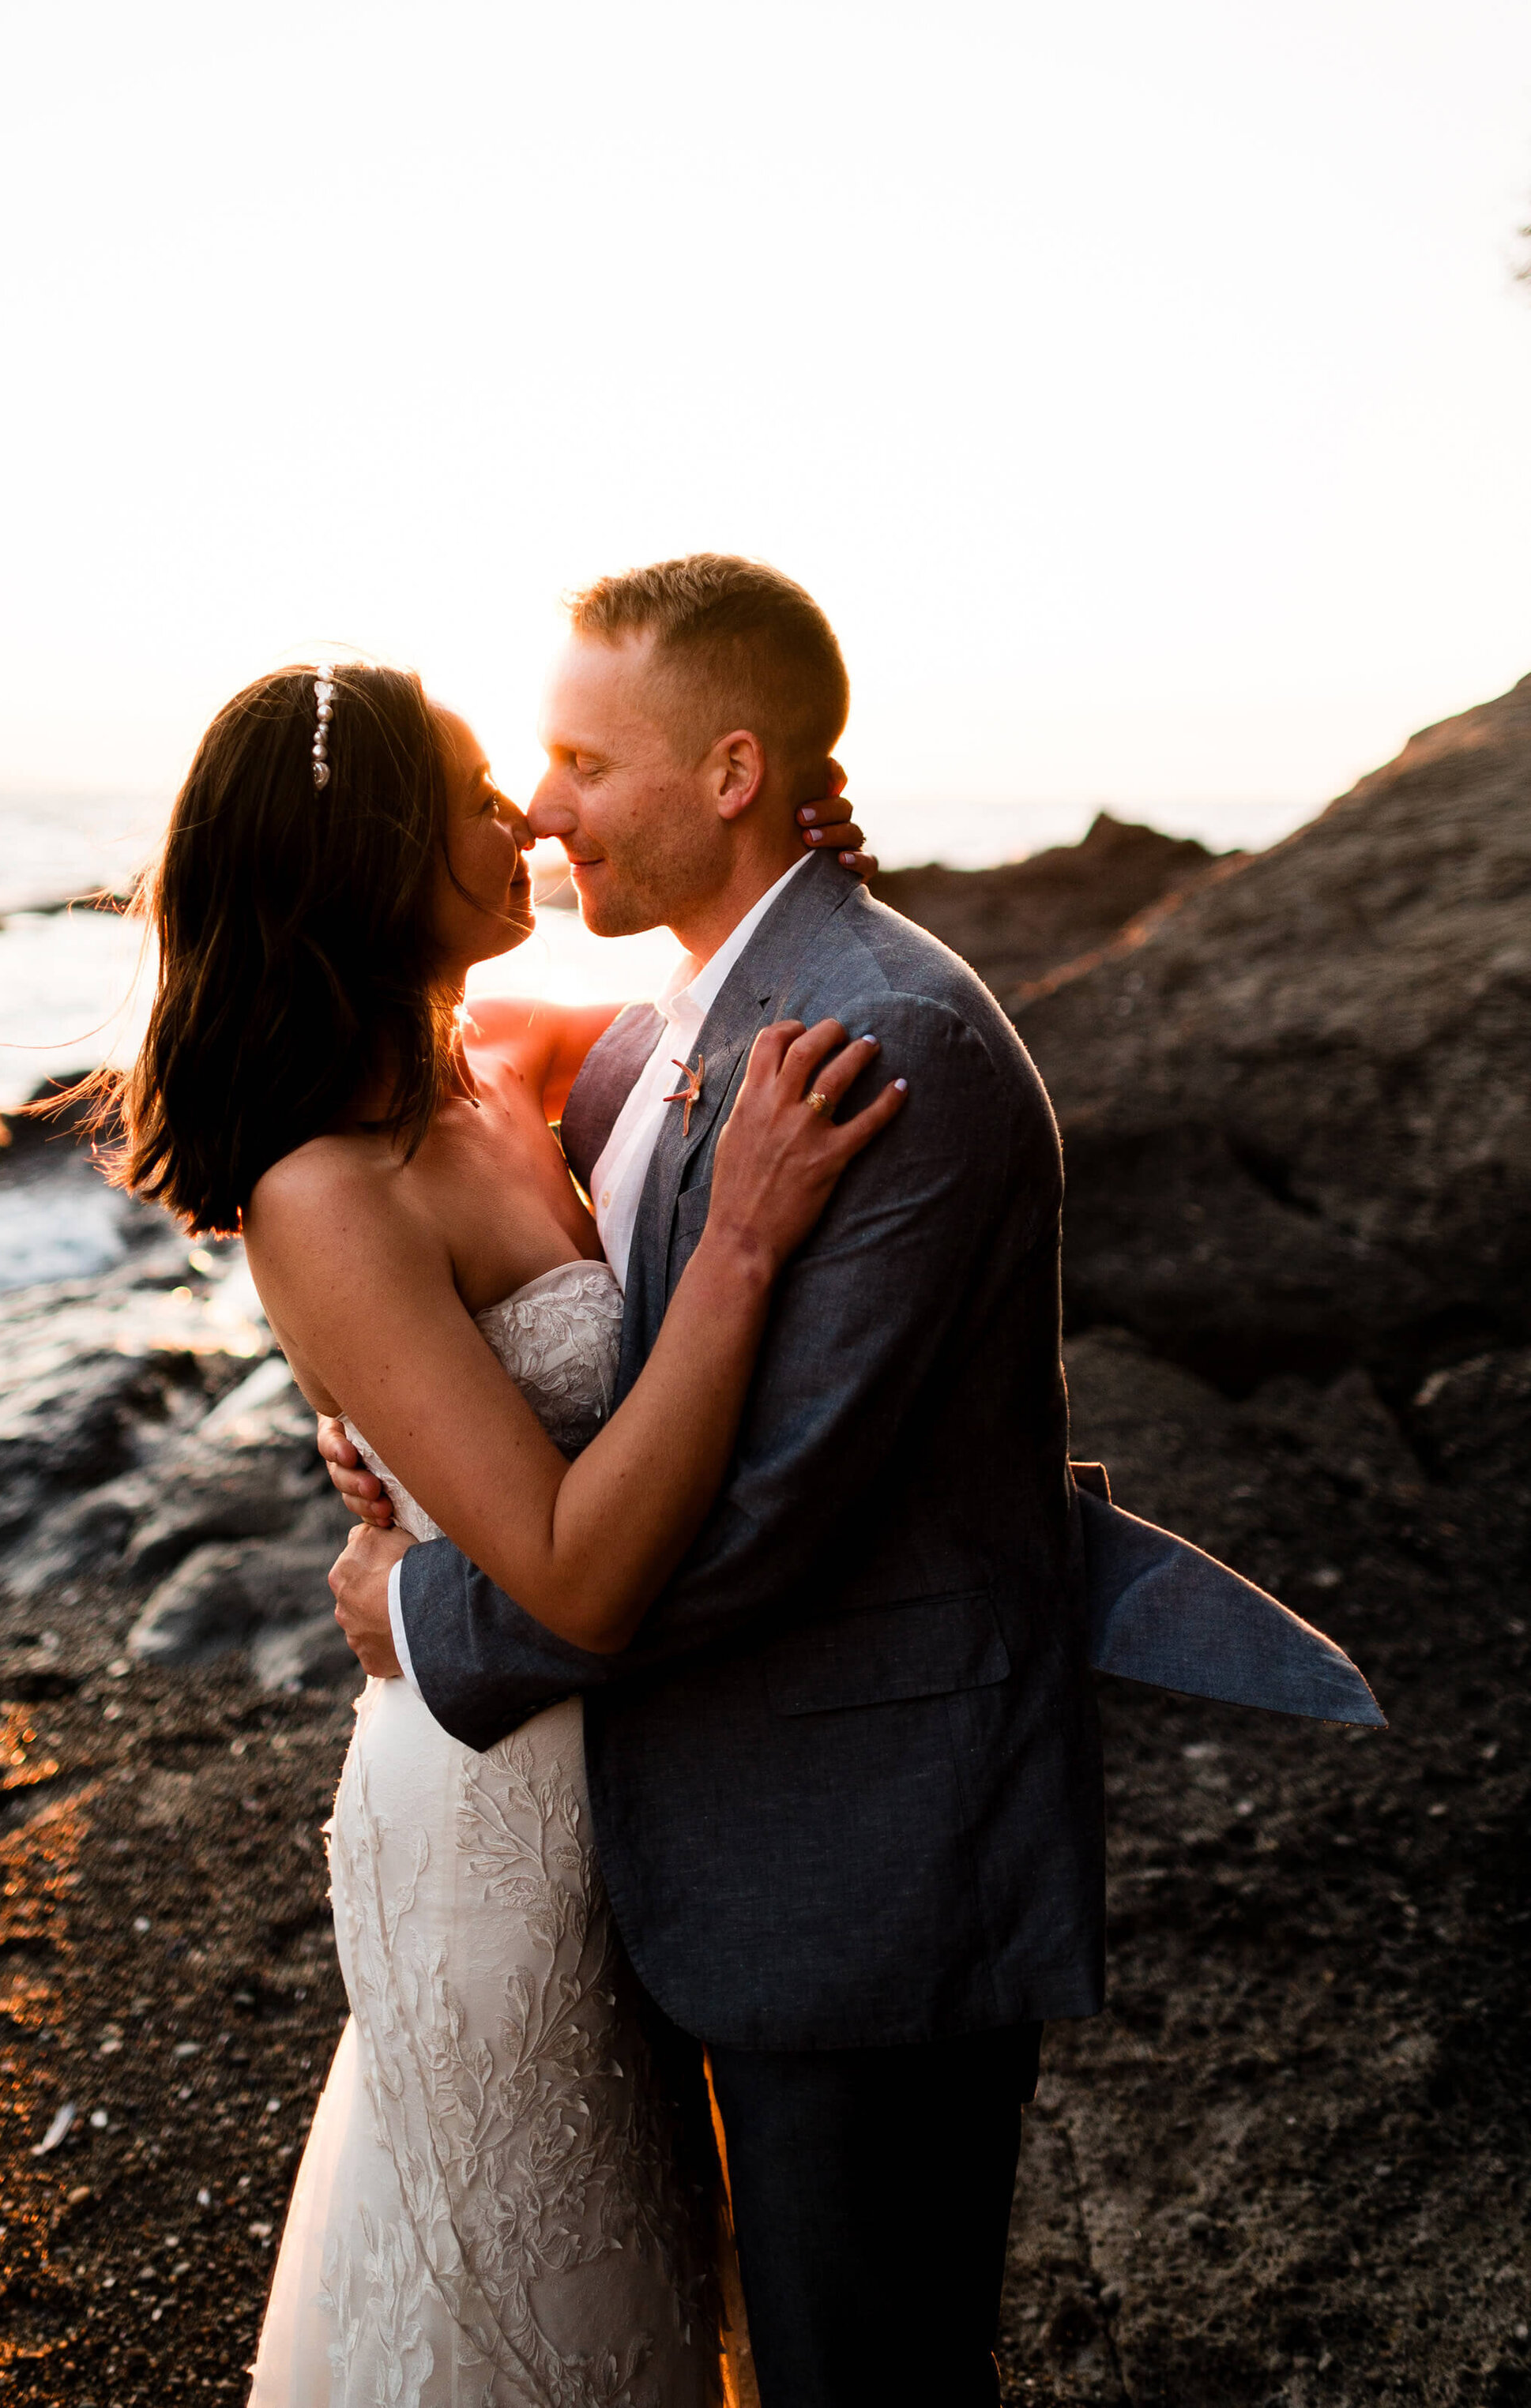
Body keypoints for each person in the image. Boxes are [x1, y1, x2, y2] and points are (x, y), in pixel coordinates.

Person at [324, 555, 1107, 2408]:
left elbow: (764, 1517)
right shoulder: (684, 1017)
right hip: (712, 1845)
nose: (538, 805)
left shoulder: (874, 1040)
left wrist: (422, 1606)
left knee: (868, 2371)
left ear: (734, 770)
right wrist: (400, 1398)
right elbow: (492, 1191)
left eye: (585, 760)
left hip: (867, 1862)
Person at [91, 643, 891, 2406]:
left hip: (632, 1794)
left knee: (649, 2268)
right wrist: (744, 1248)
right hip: (492, 1832)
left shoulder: (495, 1067)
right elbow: (579, 1571)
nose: (522, 814)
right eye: (467, 792)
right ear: (372, 854)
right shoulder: (322, 1185)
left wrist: (797, 870)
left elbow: (710, 1005)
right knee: (540, 2297)